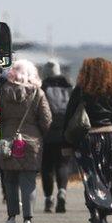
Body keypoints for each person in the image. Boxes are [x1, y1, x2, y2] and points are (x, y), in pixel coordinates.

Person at [64, 58, 112, 223]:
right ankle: (103, 215)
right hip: (109, 139)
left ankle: (94, 212)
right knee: (107, 178)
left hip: (87, 139)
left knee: (91, 179)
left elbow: (69, 117)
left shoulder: (80, 90)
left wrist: (66, 144)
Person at [0, 60, 51, 223]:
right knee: (29, 182)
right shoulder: (38, 93)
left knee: (10, 181)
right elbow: (46, 119)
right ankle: (28, 220)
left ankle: (12, 218)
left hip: (8, 142)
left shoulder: (3, 91)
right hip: (31, 143)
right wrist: (40, 135)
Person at [40, 60, 73, 213]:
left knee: (47, 166)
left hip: (47, 131)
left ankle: (48, 199)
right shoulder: (68, 86)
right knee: (63, 164)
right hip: (65, 131)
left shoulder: (43, 86)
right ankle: (62, 192)